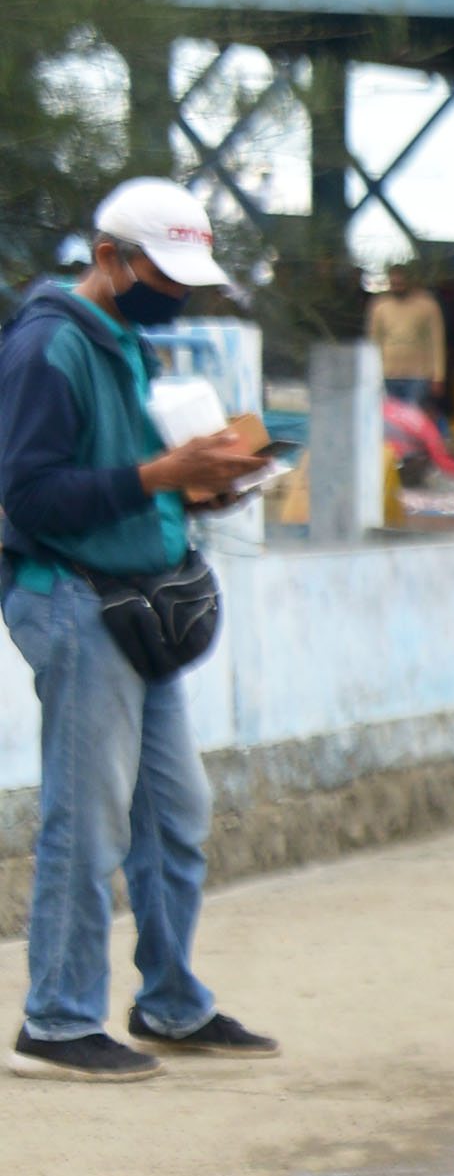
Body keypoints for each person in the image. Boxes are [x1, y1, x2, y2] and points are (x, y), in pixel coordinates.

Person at [3, 178, 280, 1080]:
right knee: (87, 820)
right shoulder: (50, 346)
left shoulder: (119, 339)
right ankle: (57, 1016)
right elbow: (31, 493)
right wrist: (164, 475)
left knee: (174, 813)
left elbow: (122, 474)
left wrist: (203, 482)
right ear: (111, 258)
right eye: (163, 273)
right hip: (76, 599)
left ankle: (170, 998)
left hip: (134, 600)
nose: (177, 293)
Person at [366, 262, 448, 409]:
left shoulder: (427, 305)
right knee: (393, 418)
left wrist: (438, 375)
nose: (398, 285)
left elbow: (437, 341)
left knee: (413, 415)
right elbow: (373, 342)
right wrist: (371, 373)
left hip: (418, 374)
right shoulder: (380, 306)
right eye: (394, 282)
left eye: (401, 282)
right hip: (388, 373)